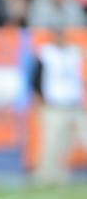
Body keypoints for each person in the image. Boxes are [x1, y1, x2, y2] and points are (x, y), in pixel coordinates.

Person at [32, 27, 87, 185]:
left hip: (75, 104)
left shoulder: (73, 52)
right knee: (52, 142)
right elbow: (36, 77)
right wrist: (40, 97)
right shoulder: (46, 53)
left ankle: (60, 174)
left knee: (70, 142)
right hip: (54, 104)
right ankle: (46, 176)